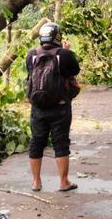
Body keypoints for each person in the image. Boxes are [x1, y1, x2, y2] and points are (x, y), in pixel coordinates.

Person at [26, 21, 81, 192]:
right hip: (60, 107)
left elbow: (29, 75)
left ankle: (36, 182)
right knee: (61, 143)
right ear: (57, 36)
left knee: (37, 142)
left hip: (38, 107)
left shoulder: (32, 55)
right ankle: (63, 182)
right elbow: (75, 70)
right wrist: (67, 50)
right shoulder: (63, 55)